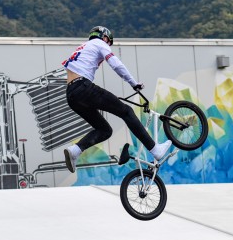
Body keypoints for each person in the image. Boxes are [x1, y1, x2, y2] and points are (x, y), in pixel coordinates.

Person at [61, 26, 171, 172]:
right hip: (83, 87)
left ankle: (75, 150)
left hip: (71, 95)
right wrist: (133, 83)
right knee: (126, 111)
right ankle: (154, 149)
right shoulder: (99, 43)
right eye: (109, 42)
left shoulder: (81, 48)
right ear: (104, 37)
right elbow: (116, 65)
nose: (108, 45)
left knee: (104, 130)